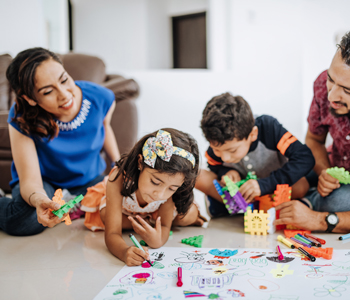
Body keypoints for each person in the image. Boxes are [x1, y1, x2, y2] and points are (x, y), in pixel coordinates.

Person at [275, 27, 350, 234]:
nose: (331, 96)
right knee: (284, 166)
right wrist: (325, 172)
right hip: (335, 163)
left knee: (338, 202)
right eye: (332, 80)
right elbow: (314, 140)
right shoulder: (323, 84)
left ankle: (309, 204)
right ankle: (308, 199)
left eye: (348, 90)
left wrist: (319, 220)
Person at [0, 47, 120, 236]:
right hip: (45, 181)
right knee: (25, 221)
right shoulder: (21, 116)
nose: (64, 94)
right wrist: (39, 199)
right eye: (48, 91)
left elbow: (105, 128)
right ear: (30, 98)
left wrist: (118, 164)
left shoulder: (101, 97)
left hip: (89, 178)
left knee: (118, 208)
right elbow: (31, 180)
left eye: (64, 80)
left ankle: (72, 204)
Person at [80, 128, 202, 266]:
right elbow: (112, 233)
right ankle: (147, 222)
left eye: (172, 188)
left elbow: (164, 226)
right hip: (124, 211)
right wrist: (124, 251)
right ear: (140, 162)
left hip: (154, 213)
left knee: (189, 215)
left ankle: (147, 222)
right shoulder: (118, 178)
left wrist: (158, 240)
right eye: (155, 182)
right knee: (105, 215)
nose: (160, 194)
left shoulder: (167, 190)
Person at [195, 92, 315, 216]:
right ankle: (239, 206)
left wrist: (266, 184)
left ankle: (255, 207)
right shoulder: (217, 140)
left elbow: (305, 158)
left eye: (232, 151)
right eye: (217, 149)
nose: (225, 157)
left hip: (273, 188)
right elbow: (214, 165)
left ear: (253, 134)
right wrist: (225, 172)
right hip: (243, 192)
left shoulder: (269, 128)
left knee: (301, 185)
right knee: (198, 176)